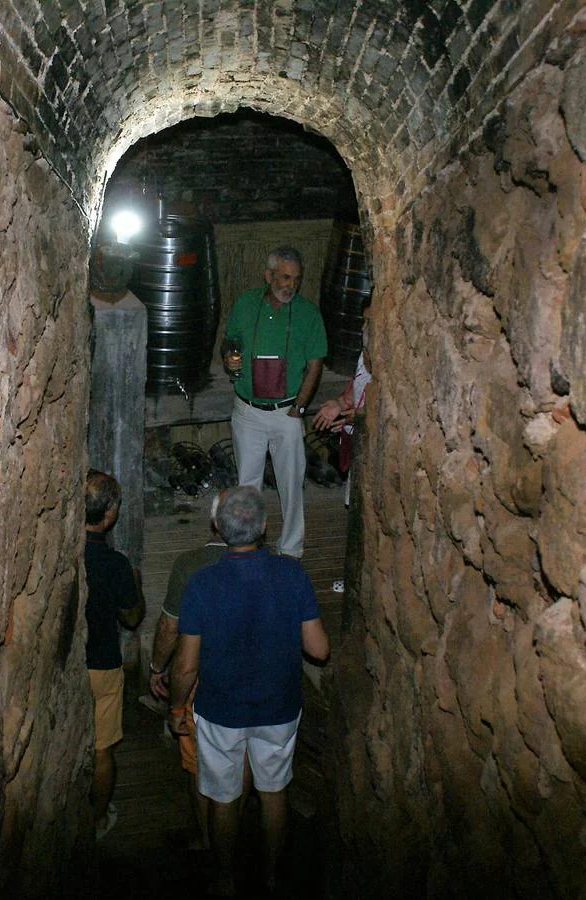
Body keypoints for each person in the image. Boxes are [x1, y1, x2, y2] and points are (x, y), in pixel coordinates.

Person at [167, 486, 330, 895]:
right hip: (278, 705)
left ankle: (225, 878)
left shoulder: (202, 583)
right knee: (274, 792)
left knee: (225, 796)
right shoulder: (291, 574)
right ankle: (273, 877)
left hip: (221, 709)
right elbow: (318, 648)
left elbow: (185, 665)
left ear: (218, 529)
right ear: (264, 526)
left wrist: (175, 708)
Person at [222, 246, 327, 558]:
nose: (289, 285)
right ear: (268, 276)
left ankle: (292, 549)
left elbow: (315, 365)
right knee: (247, 485)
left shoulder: (309, 314)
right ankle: (247, 545)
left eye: (295, 279)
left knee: (291, 484)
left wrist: (300, 409)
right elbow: (230, 342)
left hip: (287, 412)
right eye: (283, 277)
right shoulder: (245, 303)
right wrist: (229, 359)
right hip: (248, 411)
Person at [148, 490, 231, 851]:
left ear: (214, 523)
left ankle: (209, 843)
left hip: (203, 686)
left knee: (199, 769)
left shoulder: (190, 564)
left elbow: (170, 626)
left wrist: (156, 667)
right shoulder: (273, 560)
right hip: (249, 682)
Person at [83, 469, 145, 840]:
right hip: (103, 663)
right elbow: (132, 616)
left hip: (73, 666)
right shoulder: (115, 563)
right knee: (103, 748)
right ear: (109, 514)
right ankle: (98, 818)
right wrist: (134, 582)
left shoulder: (66, 552)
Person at [311, 350, 372, 506]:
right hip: (358, 443)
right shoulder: (368, 350)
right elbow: (360, 381)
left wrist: (358, 417)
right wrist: (341, 403)